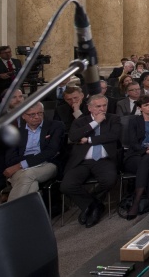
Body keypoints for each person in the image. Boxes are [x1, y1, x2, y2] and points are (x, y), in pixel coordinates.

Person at [60, 94, 121, 228]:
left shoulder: (113, 119)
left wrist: (88, 140)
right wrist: (95, 123)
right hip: (82, 161)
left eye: (104, 105)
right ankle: (93, 205)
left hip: (104, 160)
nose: (102, 109)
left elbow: (113, 136)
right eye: (98, 106)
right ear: (89, 108)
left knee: (110, 180)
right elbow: (73, 136)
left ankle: (92, 203)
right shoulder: (81, 121)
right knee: (66, 185)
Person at [3, 102, 64, 202]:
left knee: (28, 174)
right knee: (31, 185)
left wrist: (20, 165)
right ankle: (25, 216)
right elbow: (10, 159)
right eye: (32, 114)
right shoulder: (16, 133)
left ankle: (8, 213)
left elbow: (51, 152)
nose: (37, 117)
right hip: (20, 169)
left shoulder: (55, 126)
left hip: (47, 164)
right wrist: (36, 156)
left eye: (40, 113)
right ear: (23, 115)